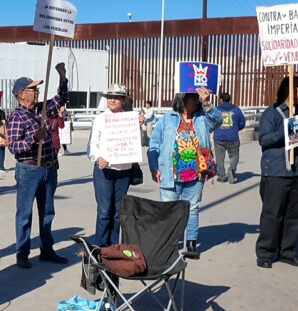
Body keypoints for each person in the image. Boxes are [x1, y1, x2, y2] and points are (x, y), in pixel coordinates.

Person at [255, 76, 298, 269]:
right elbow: (265, 140)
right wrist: (289, 130)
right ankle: (265, 253)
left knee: (294, 215)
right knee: (272, 214)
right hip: (277, 171)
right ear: (289, 89)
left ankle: (287, 251)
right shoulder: (273, 113)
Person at [6, 63, 69, 269]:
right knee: (24, 214)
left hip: (48, 168)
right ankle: (22, 253)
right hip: (29, 169)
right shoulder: (16, 117)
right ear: (20, 94)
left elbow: (60, 99)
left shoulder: (40, 111)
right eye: (32, 89)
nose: (36, 92)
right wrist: (34, 138)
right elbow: (14, 147)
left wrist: (62, 78)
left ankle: (47, 249)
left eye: (36, 89)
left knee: (47, 211)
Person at [148, 87, 221, 259]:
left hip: (196, 173)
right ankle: (168, 245)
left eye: (198, 98)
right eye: (193, 97)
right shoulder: (168, 118)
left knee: (192, 208)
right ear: (182, 98)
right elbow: (154, 144)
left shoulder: (202, 118)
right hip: (170, 172)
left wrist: (207, 103)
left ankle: (191, 243)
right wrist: (153, 166)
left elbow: (218, 121)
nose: (196, 101)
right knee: (168, 210)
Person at [88, 83, 138, 246]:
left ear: (123, 100)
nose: (112, 100)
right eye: (110, 97)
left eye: (116, 97)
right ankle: (101, 247)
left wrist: (140, 122)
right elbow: (92, 145)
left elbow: (137, 139)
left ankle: (115, 244)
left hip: (124, 170)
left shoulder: (130, 118)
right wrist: (97, 157)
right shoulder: (100, 119)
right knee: (104, 211)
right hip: (104, 170)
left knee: (118, 212)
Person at [213, 91, 247, 183]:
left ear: (220, 100)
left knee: (219, 157)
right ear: (229, 99)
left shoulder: (216, 110)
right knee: (234, 155)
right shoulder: (236, 110)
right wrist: (236, 128)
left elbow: (212, 121)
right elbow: (242, 123)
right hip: (233, 137)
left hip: (219, 137)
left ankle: (221, 175)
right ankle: (232, 169)